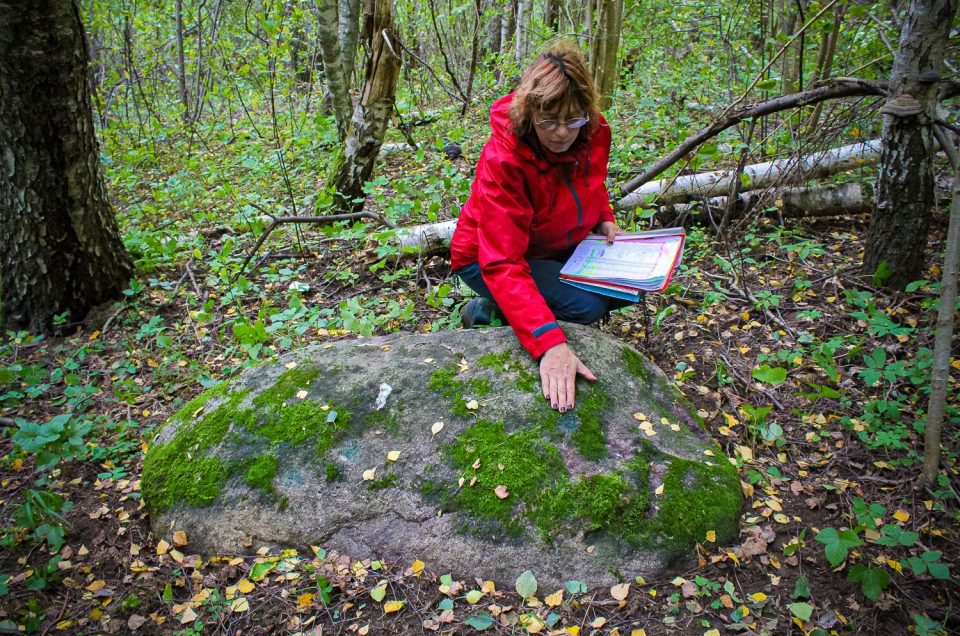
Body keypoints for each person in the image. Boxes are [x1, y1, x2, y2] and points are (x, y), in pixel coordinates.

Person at [450, 40, 623, 414]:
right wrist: (548, 341)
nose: (562, 133)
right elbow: (502, 262)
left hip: (549, 243)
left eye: (573, 120)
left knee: (623, 291)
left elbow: (590, 179)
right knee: (588, 304)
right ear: (530, 112)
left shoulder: (593, 129)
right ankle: (484, 311)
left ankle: (524, 303)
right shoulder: (504, 159)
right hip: (486, 256)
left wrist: (604, 215)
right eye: (549, 122)